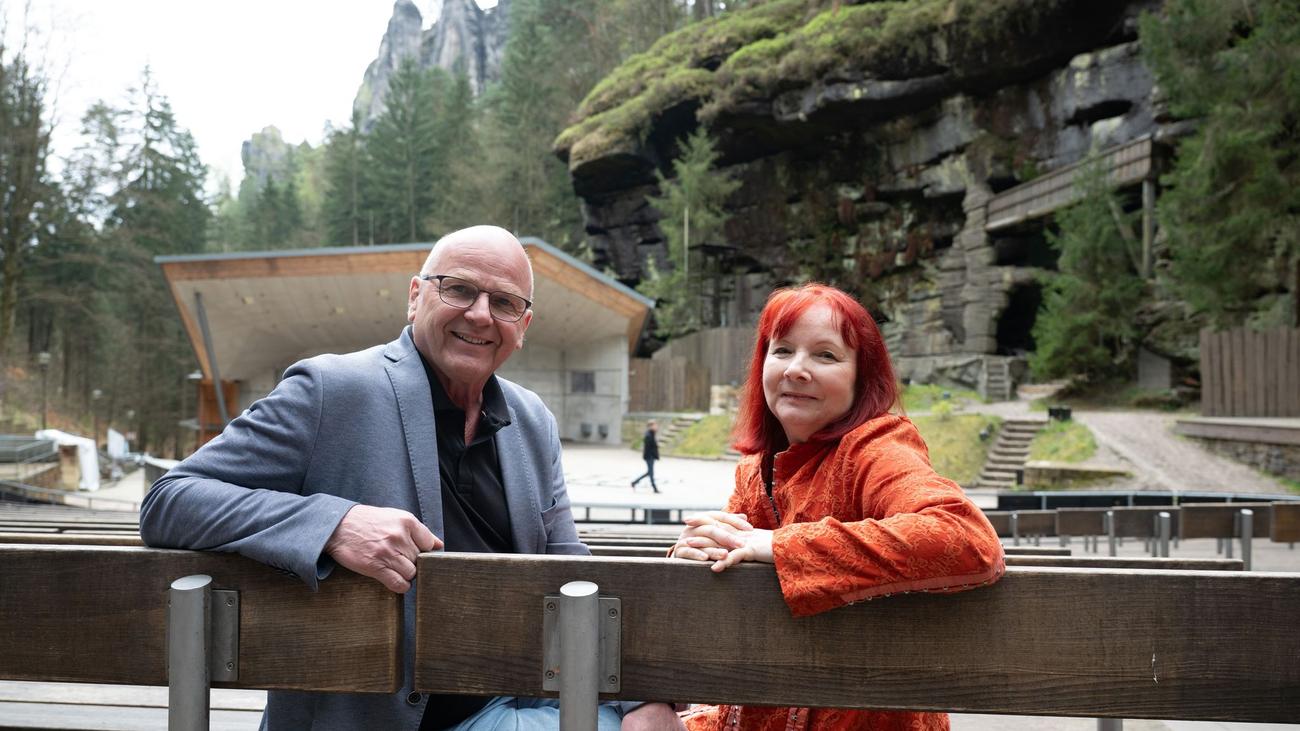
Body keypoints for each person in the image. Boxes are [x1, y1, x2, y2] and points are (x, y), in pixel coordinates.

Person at [140, 226, 670, 731]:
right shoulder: (329, 389)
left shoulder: (532, 420)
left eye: (504, 302)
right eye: (459, 289)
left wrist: (642, 696)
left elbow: (570, 566)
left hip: (509, 702)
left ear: (523, 326)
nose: (480, 314)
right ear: (416, 297)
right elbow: (169, 500)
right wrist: (334, 524)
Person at [667, 283, 1005, 731]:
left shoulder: (875, 447)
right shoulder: (754, 472)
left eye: (825, 355)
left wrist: (778, 546)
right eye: (782, 350)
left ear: (862, 379)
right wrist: (694, 557)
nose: (796, 370)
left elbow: (965, 538)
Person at [630, 419, 660, 492]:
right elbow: (649, 448)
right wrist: (653, 455)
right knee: (651, 473)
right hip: (649, 457)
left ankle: (634, 482)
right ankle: (654, 488)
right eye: (655, 425)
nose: (656, 427)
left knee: (649, 473)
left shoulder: (652, 434)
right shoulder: (648, 435)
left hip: (651, 456)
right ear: (651, 426)